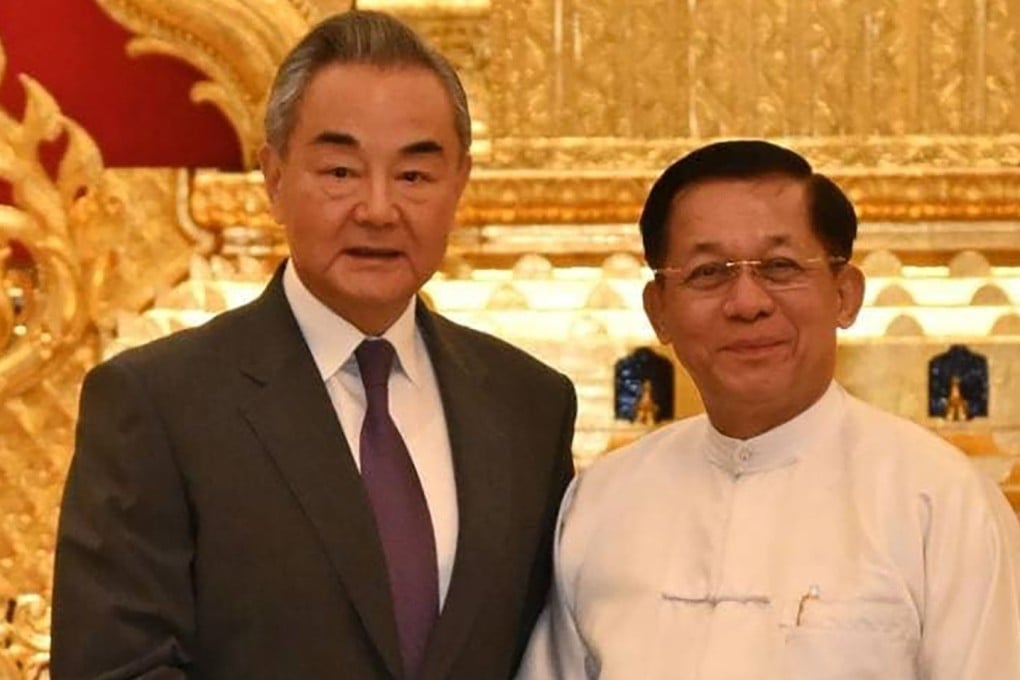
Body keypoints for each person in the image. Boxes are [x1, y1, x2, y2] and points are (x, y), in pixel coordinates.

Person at [51, 10, 576, 680]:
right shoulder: (160, 404)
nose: (378, 209)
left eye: (414, 176)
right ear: (273, 178)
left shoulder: (529, 406)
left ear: (460, 184)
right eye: (340, 171)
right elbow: (115, 668)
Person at [519, 140, 1020, 679]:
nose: (747, 303)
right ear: (658, 310)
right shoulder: (603, 502)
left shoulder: (940, 501)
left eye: (781, 267)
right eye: (708, 273)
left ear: (844, 294)